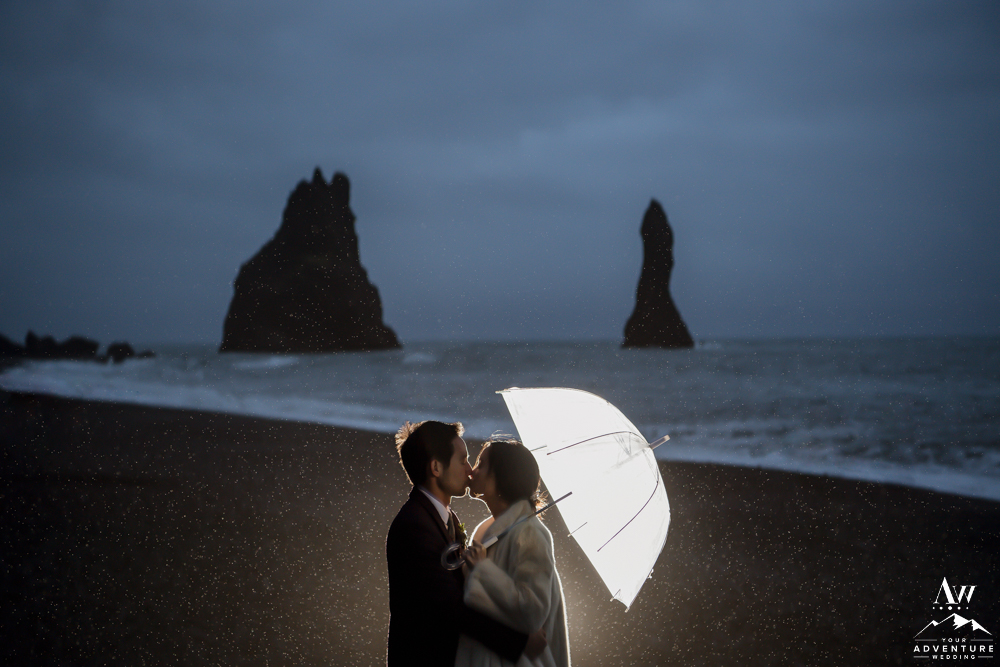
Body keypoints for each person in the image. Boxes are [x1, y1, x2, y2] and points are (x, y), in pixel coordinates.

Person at [386, 421, 545, 667]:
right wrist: (519, 643)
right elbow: (450, 609)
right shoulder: (414, 525)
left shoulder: (446, 517)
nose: (470, 470)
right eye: (463, 461)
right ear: (436, 467)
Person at [456, 438, 570, 667]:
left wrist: (484, 570)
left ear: (502, 476)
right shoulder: (486, 530)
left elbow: (533, 612)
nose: (473, 471)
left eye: (481, 464)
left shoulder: (530, 533)